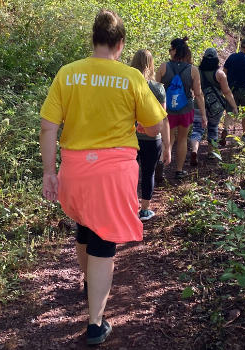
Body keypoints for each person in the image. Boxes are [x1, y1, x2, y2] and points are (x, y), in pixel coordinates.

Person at [39, 10, 166, 345]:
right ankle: (95, 324)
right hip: (114, 171)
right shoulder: (131, 78)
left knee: (84, 225)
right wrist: (139, 125)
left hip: (75, 169)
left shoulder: (68, 74)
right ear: (120, 44)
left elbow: (49, 126)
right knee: (103, 239)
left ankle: (87, 279)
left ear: (93, 40)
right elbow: (154, 125)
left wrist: (49, 172)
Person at [155, 37, 206, 179]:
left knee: (167, 139)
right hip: (186, 109)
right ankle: (179, 170)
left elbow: (155, 89)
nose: (169, 52)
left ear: (175, 50)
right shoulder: (193, 70)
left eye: (170, 50)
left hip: (166, 111)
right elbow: (198, 94)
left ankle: (160, 163)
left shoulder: (163, 67)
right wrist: (203, 114)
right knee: (182, 139)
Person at [130, 49, 171, 221]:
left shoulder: (126, 85)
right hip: (151, 139)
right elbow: (163, 119)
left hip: (129, 138)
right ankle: (145, 210)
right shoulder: (158, 88)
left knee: (129, 174)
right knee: (148, 173)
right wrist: (168, 147)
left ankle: (129, 208)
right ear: (151, 65)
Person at [189, 48, 238, 166]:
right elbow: (226, 92)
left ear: (204, 58)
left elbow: (192, 89)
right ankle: (211, 152)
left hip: (198, 105)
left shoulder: (196, 71)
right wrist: (234, 106)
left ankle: (194, 150)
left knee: (197, 129)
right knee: (213, 128)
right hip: (216, 107)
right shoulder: (220, 74)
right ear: (216, 59)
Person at [221, 38, 245, 145]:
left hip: (231, 89)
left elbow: (224, 73)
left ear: (241, 47)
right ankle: (244, 135)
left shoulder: (232, 57)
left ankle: (225, 129)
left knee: (230, 112)